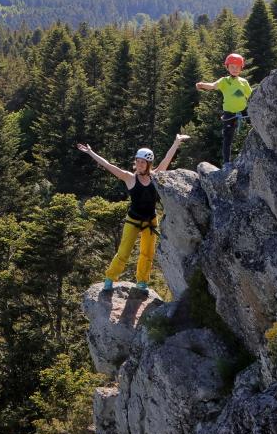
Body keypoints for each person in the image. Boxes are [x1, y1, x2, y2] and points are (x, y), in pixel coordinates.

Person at [78, 132, 189, 291]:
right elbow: (108, 165)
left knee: (147, 254)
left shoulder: (155, 176)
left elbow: (166, 159)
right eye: (137, 161)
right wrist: (90, 152)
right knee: (123, 252)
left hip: (150, 221)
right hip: (133, 220)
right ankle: (110, 278)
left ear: (149, 164)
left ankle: (142, 282)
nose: (139, 164)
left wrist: (177, 142)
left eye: (143, 162)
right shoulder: (129, 177)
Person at [195, 53, 251, 167]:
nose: (235, 69)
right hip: (229, 113)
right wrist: (202, 85)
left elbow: (252, 95)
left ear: (241, 68)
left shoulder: (244, 82)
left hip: (243, 111)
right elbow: (212, 86)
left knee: (253, 129)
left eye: (237, 67)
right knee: (227, 138)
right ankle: (227, 162)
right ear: (228, 67)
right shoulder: (224, 81)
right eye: (232, 67)